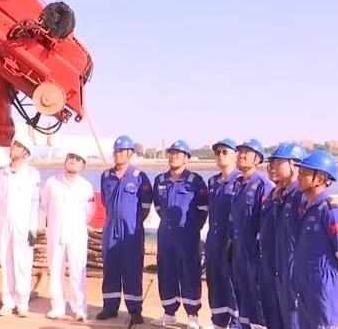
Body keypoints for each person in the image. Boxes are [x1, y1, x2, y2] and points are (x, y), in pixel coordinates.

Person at [292, 150, 338, 329]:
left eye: (304, 173)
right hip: (305, 284)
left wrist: (336, 275)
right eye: (299, 172)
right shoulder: (307, 208)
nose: (299, 177)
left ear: (319, 179)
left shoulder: (331, 211)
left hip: (323, 284)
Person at [150, 140, 209, 329]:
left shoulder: (196, 182)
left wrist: (192, 227)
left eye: (178, 153)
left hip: (188, 236)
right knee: (166, 272)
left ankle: (193, 315)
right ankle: (169, 313)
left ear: (186, 158)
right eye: (171, 153)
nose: (173, 156)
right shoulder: (160, 181)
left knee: (189, 273)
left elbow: (203, 209)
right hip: (166, 236)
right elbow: (158, 207)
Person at [97, 135, 153, 324]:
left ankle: (135, 310)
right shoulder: (106, 176)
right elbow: (105, 201)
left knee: (132, 269)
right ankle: (110, 307)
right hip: (111, 229)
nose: (118, 154)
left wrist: (132, 221)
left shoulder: (139, 177)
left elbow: (146, 206)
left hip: (131, 231)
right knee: (110, 268)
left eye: (121, 151)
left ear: (130, 153)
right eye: (116, 151)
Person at [0, 135, 42, 317]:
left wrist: (33, 227)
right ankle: (8, 302)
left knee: (22, 263)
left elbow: (35, 202)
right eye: (14, 144)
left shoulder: (32, 174)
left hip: (23, 225)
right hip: (4, 223)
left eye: (18, 146)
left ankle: (22, 303)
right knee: (6, 262)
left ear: (25, 153)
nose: (13, 147)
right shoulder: (1, 172)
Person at [40, 146, 96, 321]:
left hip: (77, 234)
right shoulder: (52, 182)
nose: (73, 160)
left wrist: (76, 224)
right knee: (55, 269)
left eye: (77, 159)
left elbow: (89, 211)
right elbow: (44, 205)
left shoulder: (86, 187)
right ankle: (57, 307)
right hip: (55, 233)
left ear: (83, 166)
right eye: (71, 157)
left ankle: (80, 308)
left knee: (77, 270)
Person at [260, 142, 307, 329]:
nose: (272, 168)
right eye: (271, 163)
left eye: (278, 163)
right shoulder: (274, 196)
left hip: (291, 274)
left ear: (295, 165)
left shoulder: (300, 197)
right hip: (272, 270)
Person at [229, 138, 272, 329]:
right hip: (239, 250)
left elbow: (267, 221)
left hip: (255, 252)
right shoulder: (238, 184)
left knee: (257, 298)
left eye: (247, 152)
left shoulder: (263, 185)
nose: (242, 155)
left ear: (258, 159)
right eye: (240, 151)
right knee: (241, 294)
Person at [203, 138, 242, 329]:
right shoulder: (212, 182)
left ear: (235, 155)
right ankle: (218, 321)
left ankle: (235, 324)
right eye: (217, 152)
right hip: (214, 239)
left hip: (232, 241)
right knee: (215, 281)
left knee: (233, 285)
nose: (220, 155)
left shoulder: (241, 182)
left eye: (225, 152)